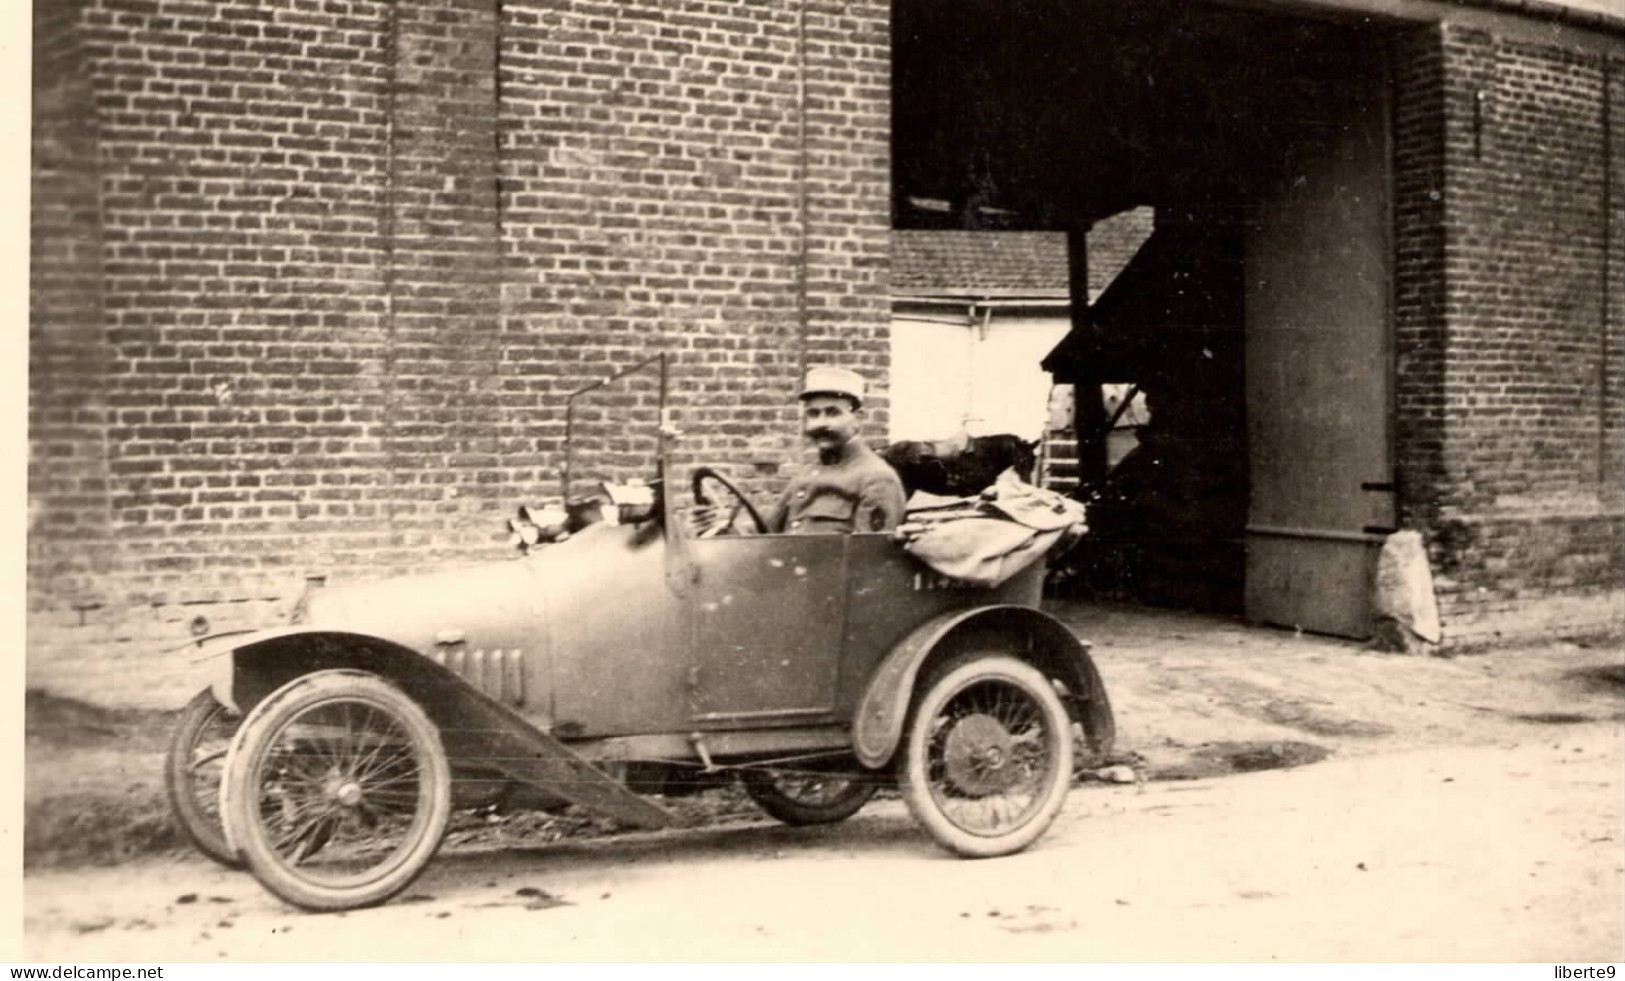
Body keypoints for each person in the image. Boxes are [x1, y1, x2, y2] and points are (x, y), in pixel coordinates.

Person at [694, 366, 907, 535]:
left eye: (832, 413)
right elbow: (767, 535)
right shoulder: (805, 476)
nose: (820, 423)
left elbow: (871, 565)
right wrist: (721, 528)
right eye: (813, 414)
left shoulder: (877, 480)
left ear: (857, 418)